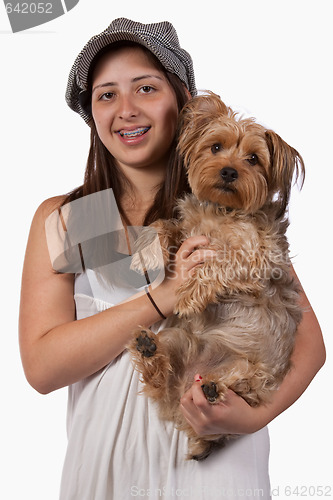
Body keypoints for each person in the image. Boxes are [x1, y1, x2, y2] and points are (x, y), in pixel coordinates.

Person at [19, 18, 325, 500]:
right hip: (107, 469)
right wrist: (161, 298)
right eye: (106, 95)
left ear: (182, 102)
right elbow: (42, 366)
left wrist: (255, 416)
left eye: (146, 88)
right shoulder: (75, 218)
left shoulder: (231, 206)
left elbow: (309, 344)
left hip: (218, 467)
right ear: (91, 115)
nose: (127, 110)